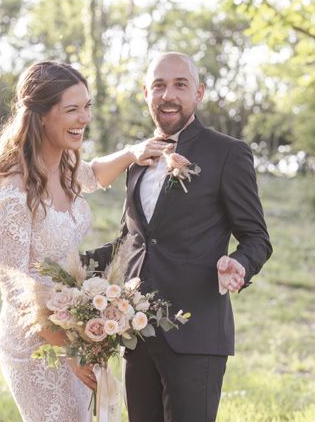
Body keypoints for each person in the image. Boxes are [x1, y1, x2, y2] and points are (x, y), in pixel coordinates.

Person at [0, 61, 170, 422]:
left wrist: (133, 152)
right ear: (42, 115)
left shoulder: (63, 165)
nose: (84, 118)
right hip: (35, 337)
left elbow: (93, 174)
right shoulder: (13, 187)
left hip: (73, 325)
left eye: (87, 107)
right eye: (72, 109)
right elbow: (11, 281)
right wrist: (69, 346)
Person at [84, 52, 272, 422]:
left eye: (179, 85)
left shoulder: (227, 153)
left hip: (195, 331)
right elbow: (131, 244)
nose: (168, 95)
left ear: (198, 93)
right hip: (135, 333)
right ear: (145, 93)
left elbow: (256, 237)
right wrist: (68, 266)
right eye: (159, 85)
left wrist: (240, 264)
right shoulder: (137, 161)